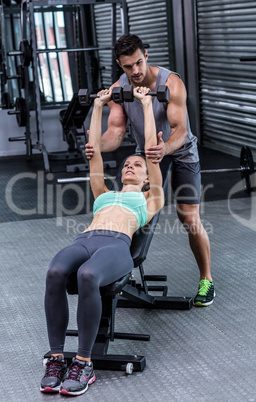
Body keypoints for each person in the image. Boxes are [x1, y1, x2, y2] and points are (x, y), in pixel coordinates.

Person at [40, 86, 164, 396]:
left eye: (136, 165)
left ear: (147, 177)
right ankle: (56, 359)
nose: (128, 166)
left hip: (116, 247)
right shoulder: (104, 194)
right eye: (125, 164)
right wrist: (98, 106)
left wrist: (147, 104)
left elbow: (151, 147)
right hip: (86, 240)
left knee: (88, 275)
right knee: (55, 272)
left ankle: (84, 363)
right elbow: (93, 148)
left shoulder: (152, 198)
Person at [85, 34, 215, 307]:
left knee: (189, 217)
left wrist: (165, 148)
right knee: (136, 209)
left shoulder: (171, 83)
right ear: (120, 65)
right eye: (128, 66)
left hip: (179, 151)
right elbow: (116, 132)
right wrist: (95, 147)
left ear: (147, 55)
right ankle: (122, 270)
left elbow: (180, 129)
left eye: (139, 63)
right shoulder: (118, 90)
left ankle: (207, 280)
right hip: (148, 151)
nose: (135, 71)